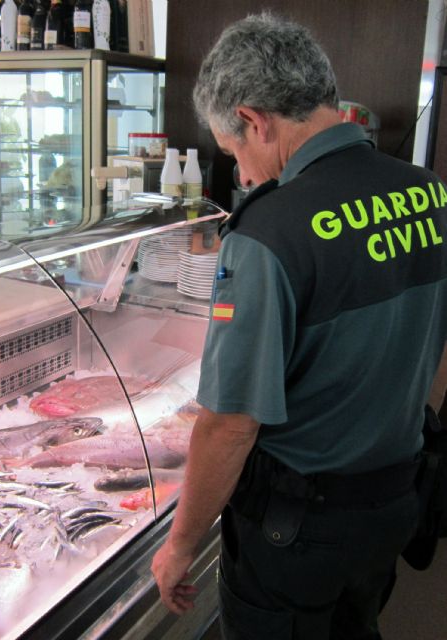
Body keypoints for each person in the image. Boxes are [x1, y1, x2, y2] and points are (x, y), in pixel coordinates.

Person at [151, 12, 447, 639]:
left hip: (297, 532)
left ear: (256, 120)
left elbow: (230, 424)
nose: (246, 176)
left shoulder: (269, 231)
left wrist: (180, 546)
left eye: (235, 153)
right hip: (395, 501)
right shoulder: (429, 193)